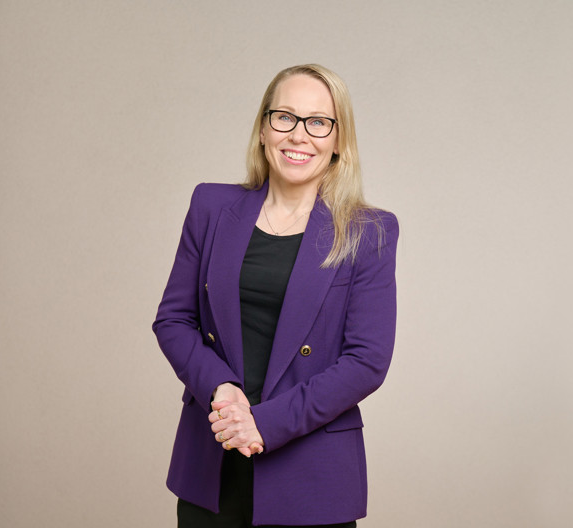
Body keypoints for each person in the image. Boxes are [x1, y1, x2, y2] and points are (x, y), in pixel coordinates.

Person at [153, 64, 398, 527]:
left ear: (338, 139)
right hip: (214, 455)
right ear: (264, 128)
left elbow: (367, 360)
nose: (298, 135)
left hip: (311, 472)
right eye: (284, 117)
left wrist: (265, 422)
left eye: (318, 122)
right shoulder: (210, 206)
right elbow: (174, 320)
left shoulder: (369, 232)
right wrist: (221, 390)